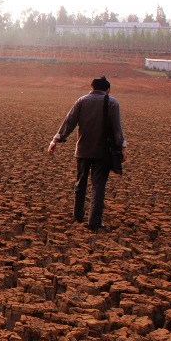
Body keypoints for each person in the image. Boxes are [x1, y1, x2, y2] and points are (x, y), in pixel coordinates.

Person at [48, 76, 126, 231]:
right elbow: (117, 129)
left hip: (82, 150)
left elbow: (68, 122)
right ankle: (94, 222)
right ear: (107, 89)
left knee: (80, 183)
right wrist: (122, 147)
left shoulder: (82, 101)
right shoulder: (112, 102)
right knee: (98, 186)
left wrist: (55, 140)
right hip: (102, 152)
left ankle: (77, 217)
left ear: (92, 87)